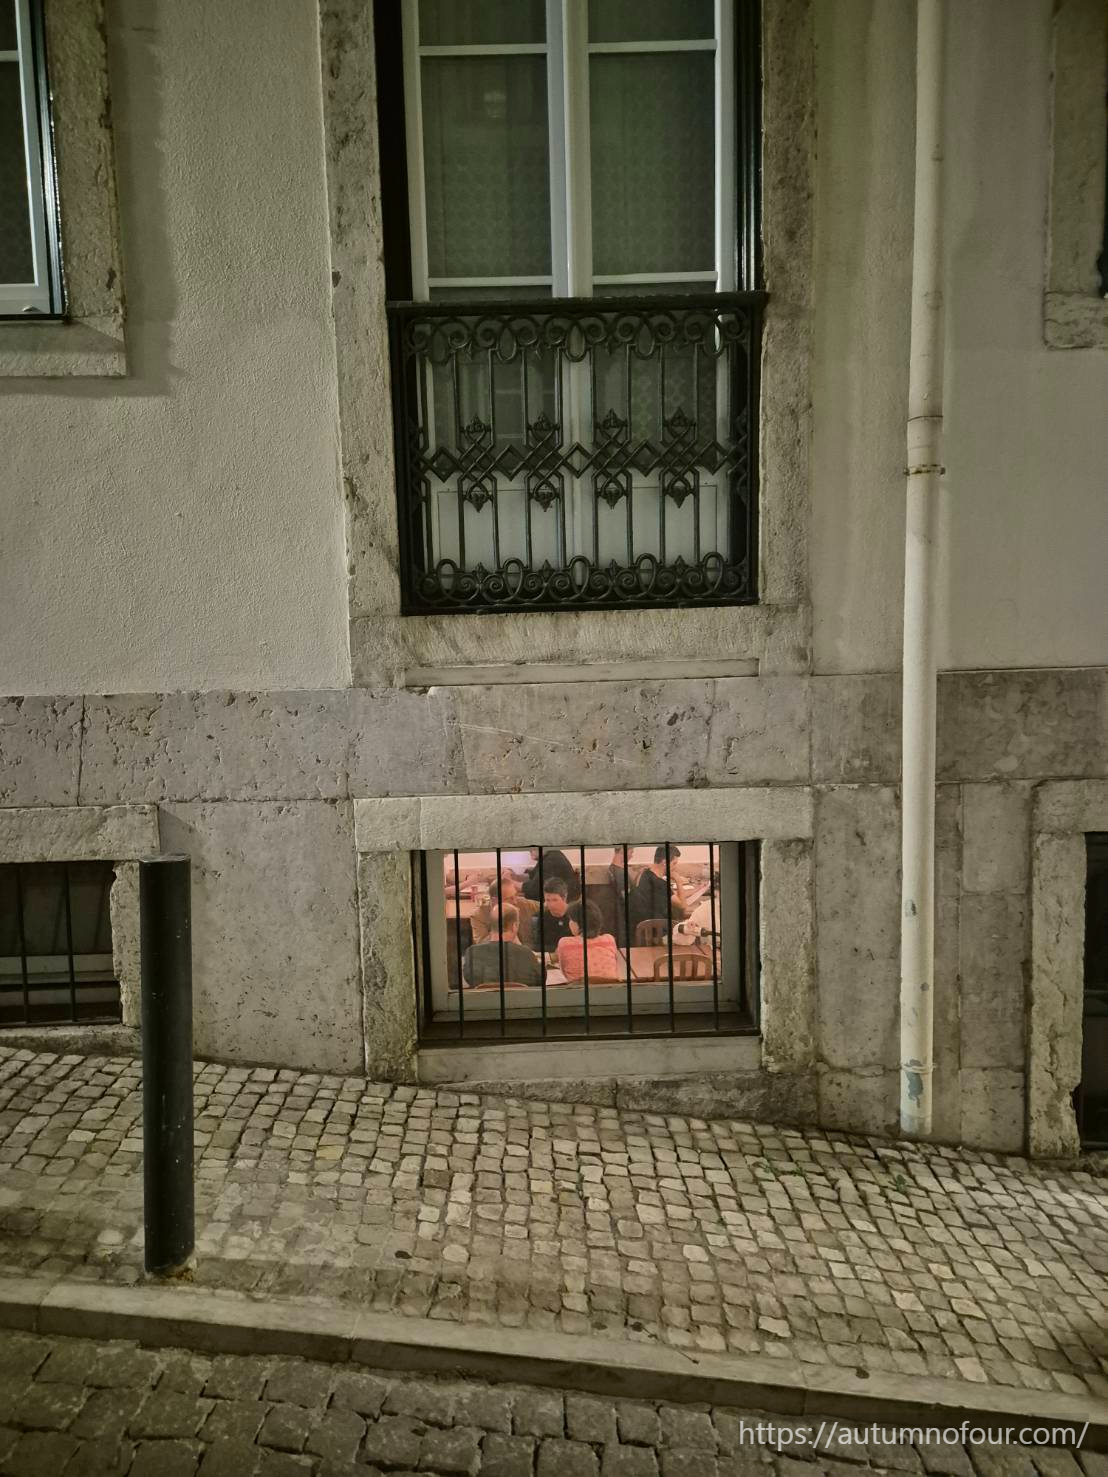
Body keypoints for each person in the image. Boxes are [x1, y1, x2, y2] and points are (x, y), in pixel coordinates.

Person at [461, 905, 541, 988]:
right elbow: (540, 979)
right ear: (514, 926)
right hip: (521, 996)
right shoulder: (526, 953)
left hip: (484, 996)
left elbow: (469, 980)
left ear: (491, 925)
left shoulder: (472, 953)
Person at [557, 900, 622, 982]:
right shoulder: (609, 940)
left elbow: (564, 972)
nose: (569, 923)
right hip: (611, 988)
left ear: (578, 923)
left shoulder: (564, 943)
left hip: (577, 989)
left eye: (571, 920)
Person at [470, 869, 538, 948]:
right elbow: (482, 945)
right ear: (494, 900)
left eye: (515, 895)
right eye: (510, 898)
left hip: (527, 951)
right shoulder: (479, 915)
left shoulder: (522, 904)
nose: (515, 901)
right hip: (496, 953)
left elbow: (547, 906)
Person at [630, 845, 689, 932]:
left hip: (641, 927)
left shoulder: (644, 873)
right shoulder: (660, 884)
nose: (675, 867)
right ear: (664, 862)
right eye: (674, 863)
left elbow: (672, 895)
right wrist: (678, 880)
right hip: (657, 931)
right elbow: (683, 906)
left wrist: (697, 890)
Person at [538, 876, 575, 952]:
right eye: (548, 900)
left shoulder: (575, 915)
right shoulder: (542, 917)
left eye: (555, 900)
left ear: (564, 897)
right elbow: (538, 944)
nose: (551, 905)